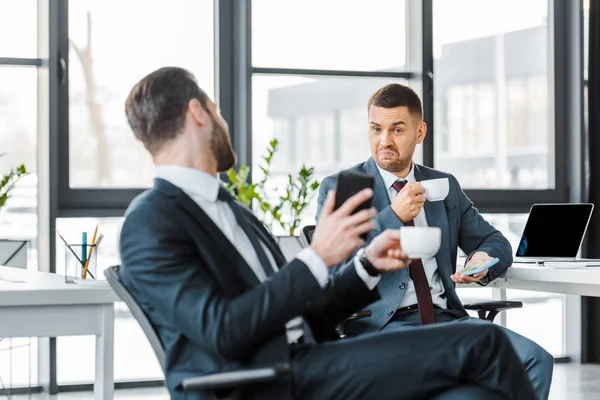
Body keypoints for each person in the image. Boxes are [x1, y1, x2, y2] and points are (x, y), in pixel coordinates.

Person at [119, 67, 537, 400]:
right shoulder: (152, 220)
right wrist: (316, 258)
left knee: (473, 385)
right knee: (484, 343)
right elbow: (224, 331)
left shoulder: (229, 209)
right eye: (217, 110)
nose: (222, 121)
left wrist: (368, 267)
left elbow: (306, 314)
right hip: (269, 379)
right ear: (198, 113)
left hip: (309, 355)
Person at [317, 83, 553, 400]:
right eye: (376, 129)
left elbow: (494, 240)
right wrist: (392, 215)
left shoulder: (442, 186)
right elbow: (335, 266)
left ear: (419, 131)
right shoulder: (343, 187)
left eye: (397, 130)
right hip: (386, 327)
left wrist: (482, 259)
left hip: (448, 320)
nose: (384, 141)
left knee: (536, 360)